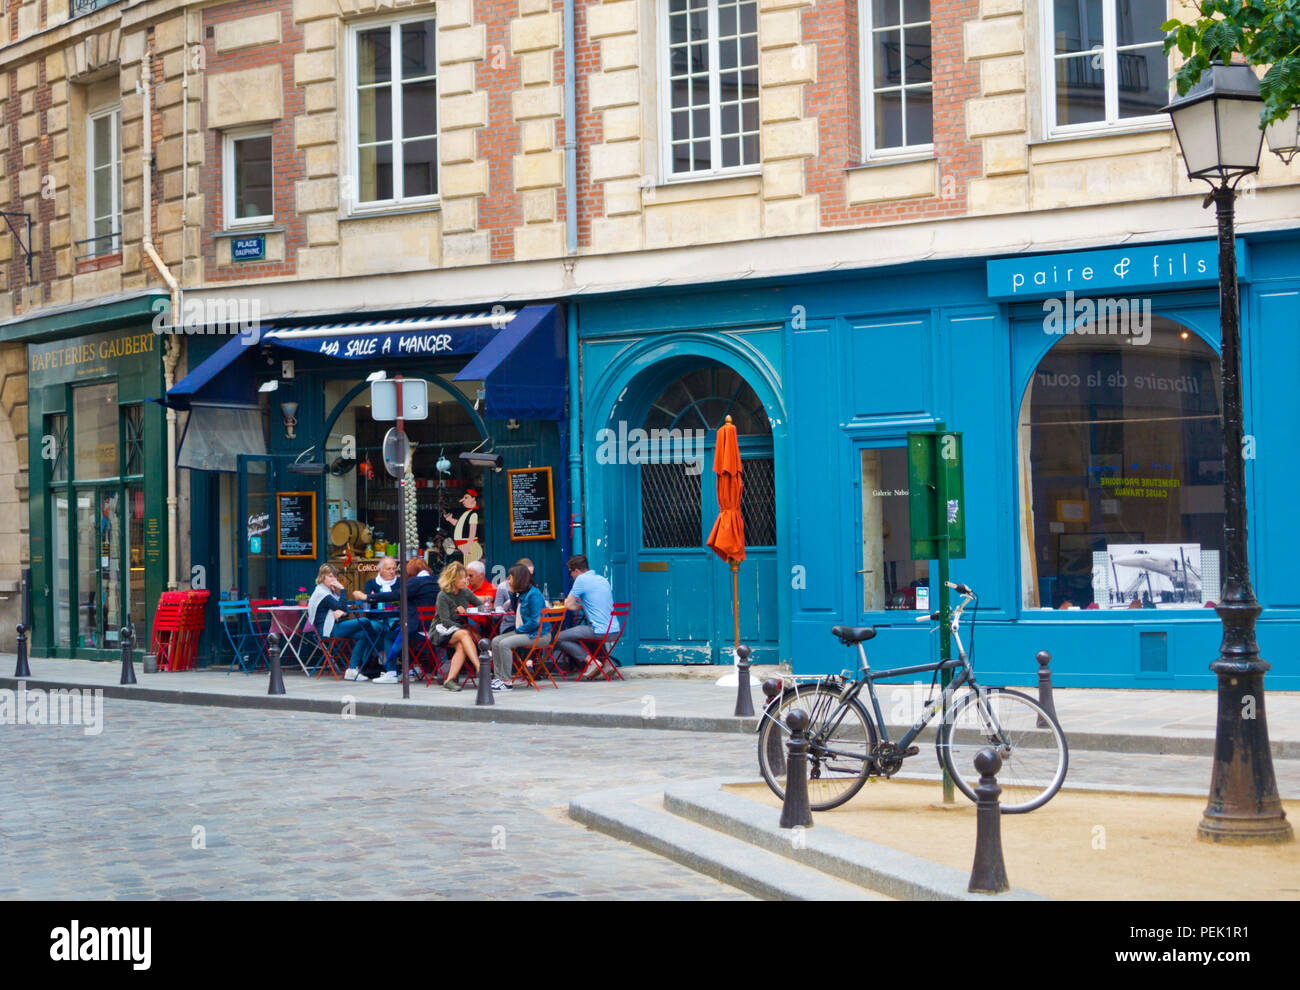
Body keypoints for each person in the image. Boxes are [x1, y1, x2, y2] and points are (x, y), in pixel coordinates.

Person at [364, 558, 441, 682]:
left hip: (418, 630)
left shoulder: (415, 582)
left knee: (390, 636)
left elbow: (396, 595)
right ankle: (409, 671)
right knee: (404, 634)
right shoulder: (437, 582)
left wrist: (369, 597)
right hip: (435, 629)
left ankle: (391, 673)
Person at [307, 564, 378, 682]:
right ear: (322, 577)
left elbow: (343, 609)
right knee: (365, 621)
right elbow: (342, 607)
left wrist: (341, 611)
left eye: (335, 576)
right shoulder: (322, 592)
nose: (334, 579)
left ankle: (352, 669)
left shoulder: (330, 592)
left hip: (337, 626)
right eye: (330, 576)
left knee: (364, 635)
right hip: (328, 630)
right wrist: (343, 590)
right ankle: (375, 652)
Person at [554, 554, 619, 681]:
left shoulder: (581, 580)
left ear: (577, 571)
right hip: (614, 630)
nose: (571, 576)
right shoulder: (602, 579)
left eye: (571, 572)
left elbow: (568, 604)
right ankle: (607, 665)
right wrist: (584, 606)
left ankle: (591, 662)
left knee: (558, 638)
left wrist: (579, 606)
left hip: (599, 631)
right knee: (589, 634)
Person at [489, 564, 546, 686]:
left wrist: (519, 630)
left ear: (519, 579)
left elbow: (536, 621)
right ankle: (498, 678)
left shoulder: (533, 594)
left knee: (505, 643)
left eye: (511, 577)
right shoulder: (521, 593)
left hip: (538, 634)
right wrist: (512, 594)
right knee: (495, 641)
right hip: (526, 631)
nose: (509, 580)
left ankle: (506, 681)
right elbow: (516, 611)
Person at [433, 561, 485, 691]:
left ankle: (449, 680)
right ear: (453, 579)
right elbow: (445, 622)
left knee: (462, 644)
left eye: (466, 576)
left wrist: (471, 610)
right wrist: (459, 614)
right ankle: (479, 668)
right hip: (441, 632)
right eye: (462, 577)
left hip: (459, 632)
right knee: (465, 634)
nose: (466, 579)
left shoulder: (465, 592)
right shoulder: (443, 596)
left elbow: (480, 605)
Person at [353, 556, 400, 672]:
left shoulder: (400, 583)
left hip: (395, 619)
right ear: (380, 570)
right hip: (376, 620)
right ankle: (369, 664)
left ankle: (392, 669)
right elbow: (369, 602)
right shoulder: (371, 583)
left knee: (392, 632)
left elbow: (372, 598)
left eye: (394, 569)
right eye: (388, 569)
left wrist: (374, 597)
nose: (392, 571)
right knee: (369, 629)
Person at [493, 558, 534, 632]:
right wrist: (509, 602)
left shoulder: (531, 588)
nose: (530, 578)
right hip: (510, 625)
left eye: (532, 574)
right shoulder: (503, 586)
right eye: (528, 574)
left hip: (528, 625)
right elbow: (496, 615)